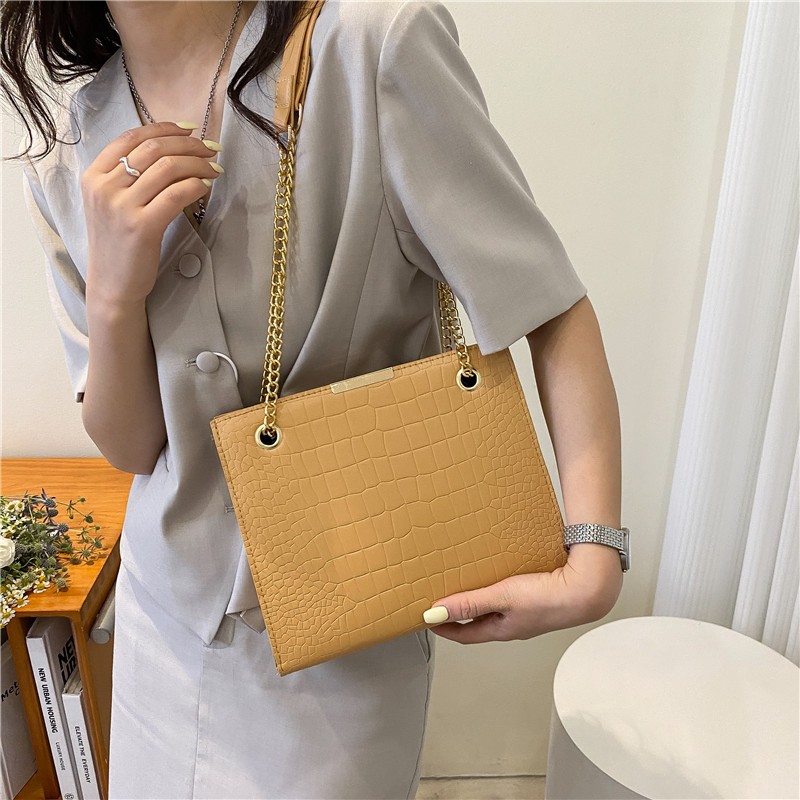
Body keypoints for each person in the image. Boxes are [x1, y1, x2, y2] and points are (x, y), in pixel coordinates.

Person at [3, 0, 625, 797]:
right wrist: (115, 298)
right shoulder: (68, 144)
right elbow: (132, 448)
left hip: (346, 642)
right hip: (164, 630)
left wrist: (594, 553)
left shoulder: (369, 47)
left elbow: (547, 304)